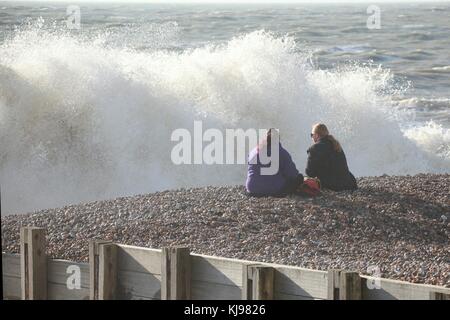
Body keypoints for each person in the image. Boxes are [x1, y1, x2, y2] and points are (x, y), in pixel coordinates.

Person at [246, 129, 303, 196]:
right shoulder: (281, 152)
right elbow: (292, 174)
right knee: (299, 178)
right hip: (274, 190)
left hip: (252, 189)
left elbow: (250, 168)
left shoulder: (253, 151)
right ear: (278, 139)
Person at [306, 123, 357, 191]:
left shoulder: (314, 148)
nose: (312, 137)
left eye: (312, 135)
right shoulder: (336, 145)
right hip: (348, 183)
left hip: (333, 186)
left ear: (317, 135)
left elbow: (309, 172)